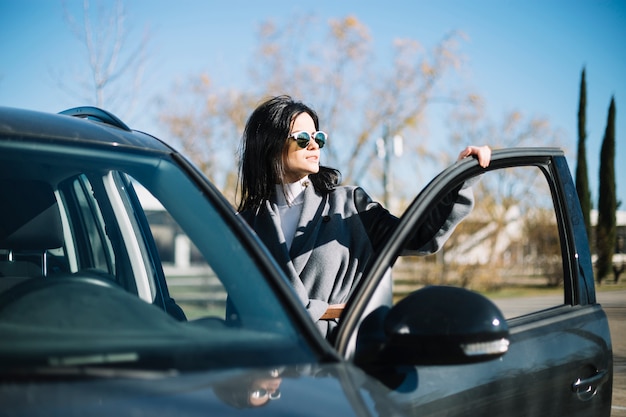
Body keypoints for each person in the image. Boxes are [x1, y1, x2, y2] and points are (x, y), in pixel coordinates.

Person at [237, 95, 491, 338]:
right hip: (267, 367)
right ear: (270, 145)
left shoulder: (348, 205)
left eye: (318, 137)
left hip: (335, 359)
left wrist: (460, 178)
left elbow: (419, 236)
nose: (314, 145)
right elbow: (237, 307)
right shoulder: (246, 223)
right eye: (303, 138)